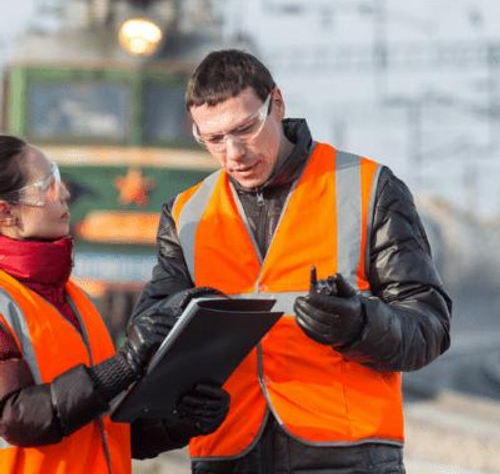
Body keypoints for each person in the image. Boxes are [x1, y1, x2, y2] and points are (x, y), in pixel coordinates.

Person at [132, 49, 452, 473]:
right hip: (228, 454)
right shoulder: (186, 214)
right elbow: (150, 332)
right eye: (212, 139)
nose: (233, 153)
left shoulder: (369, 187)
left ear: (276, 103)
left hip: (347, 456)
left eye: (245, 129)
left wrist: (360, 324)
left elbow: (429, 325)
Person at [0, 135, 230, 473]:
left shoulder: (74, 300)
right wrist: (125, 364)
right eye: (48, 184)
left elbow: (105, 427)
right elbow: (16, 418)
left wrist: (182, 421)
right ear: (6, 212)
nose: (65, 192)